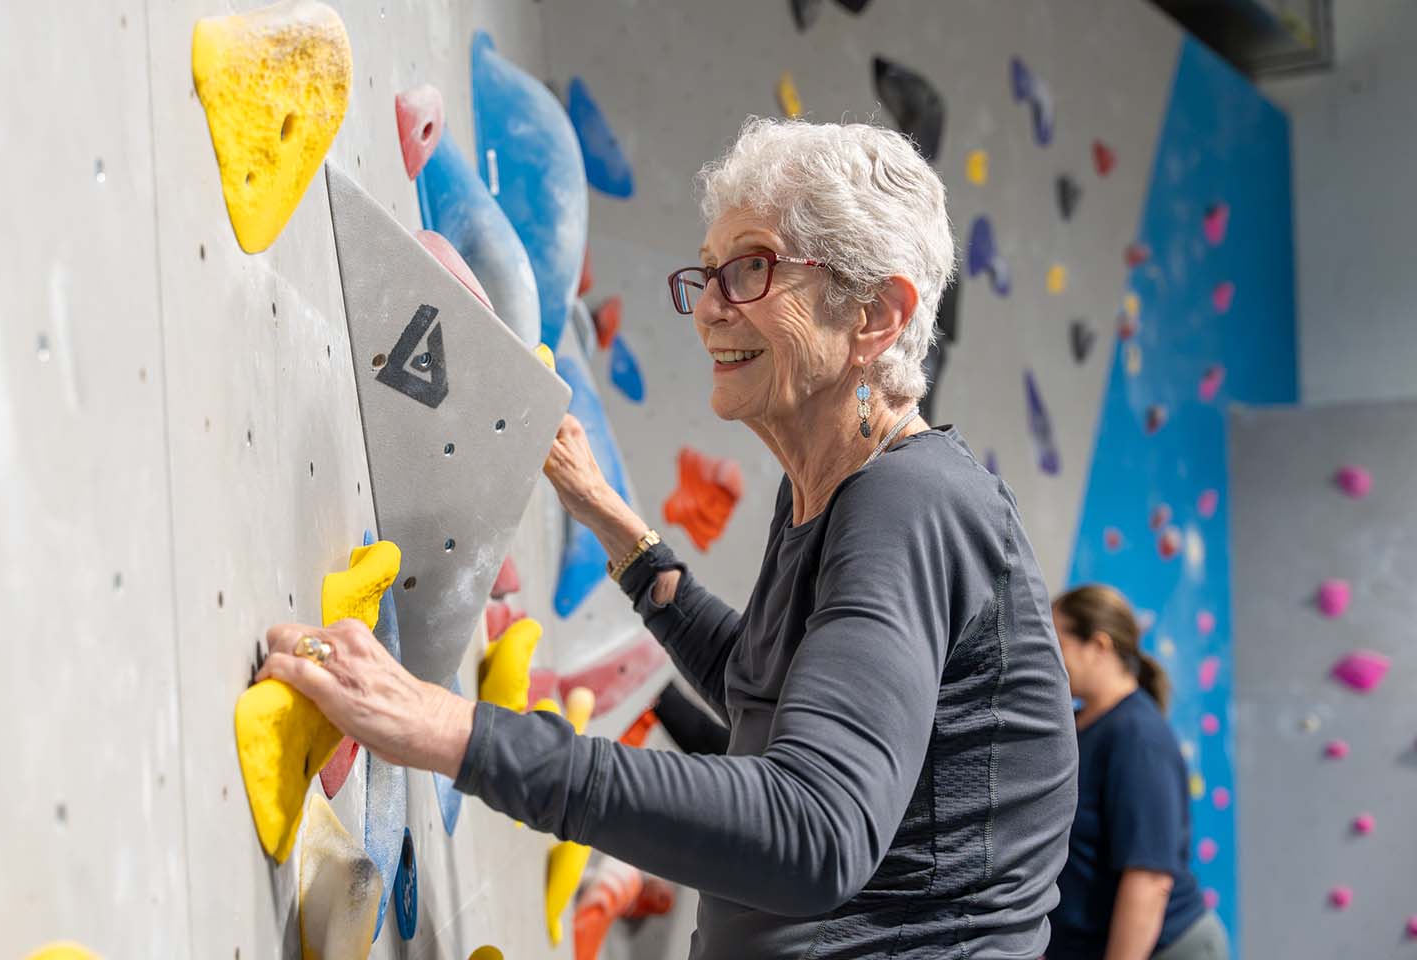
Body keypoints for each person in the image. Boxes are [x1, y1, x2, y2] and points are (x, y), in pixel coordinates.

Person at [258, 117, 1078, 959]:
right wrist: (620, 530)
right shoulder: (829, 493)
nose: (711, 309)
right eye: (712, 272)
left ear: (875, 315)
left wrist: (449, 731)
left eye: (752, 268)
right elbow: (765, 692)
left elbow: (817, 827)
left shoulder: (913, 506)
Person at [1046, 585, 1231, 960]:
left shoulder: (1137, 735)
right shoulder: (1078, 727)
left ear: (1098, 646)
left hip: (1167, 948)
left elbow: (1148, 879)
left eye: (1056, 641)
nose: (1046, 655)